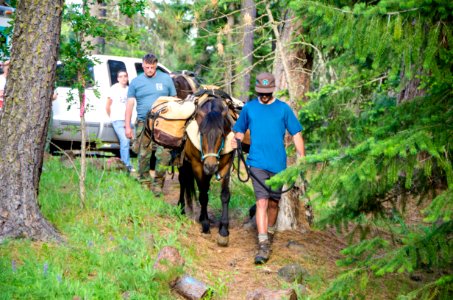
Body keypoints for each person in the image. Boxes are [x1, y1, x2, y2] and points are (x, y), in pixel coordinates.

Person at [231, 72, 306, 264]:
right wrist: (236, 140)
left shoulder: (283, 109)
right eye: (261, 92)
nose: (264, 95)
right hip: (257, 163)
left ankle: (269, 233)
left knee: (274, 204)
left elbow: (296, 134)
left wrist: (302, 157)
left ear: (272, 90)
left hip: (278, 164)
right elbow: (239, 129)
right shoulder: (249, 108)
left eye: (267, 92)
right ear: (257, 90)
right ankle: (263, 244)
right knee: (262, 202)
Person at [125, 53, 177, 195]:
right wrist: (127, 126)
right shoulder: (136, 82)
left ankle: (158, 184)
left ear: (156, 65)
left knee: (164, 155)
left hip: (163, 124)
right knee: (143, 155)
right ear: (142, 65)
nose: (149, 70)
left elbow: (174, 102)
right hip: (143, 123)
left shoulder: (166, 79)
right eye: (147, 67)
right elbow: (129, 104)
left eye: (152, 67)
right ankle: (144, 183)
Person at [106, 70, 134, 172]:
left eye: (125, 76)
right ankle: (127, 165)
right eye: (121, 77)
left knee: (134, 141)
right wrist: (113, 117)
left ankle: (127, 163)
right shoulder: (113, 89)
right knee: (125, 140)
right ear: (118, 79)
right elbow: (107, 106)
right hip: (117, 120)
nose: (123, 78)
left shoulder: (129, 89)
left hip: (128, 120)